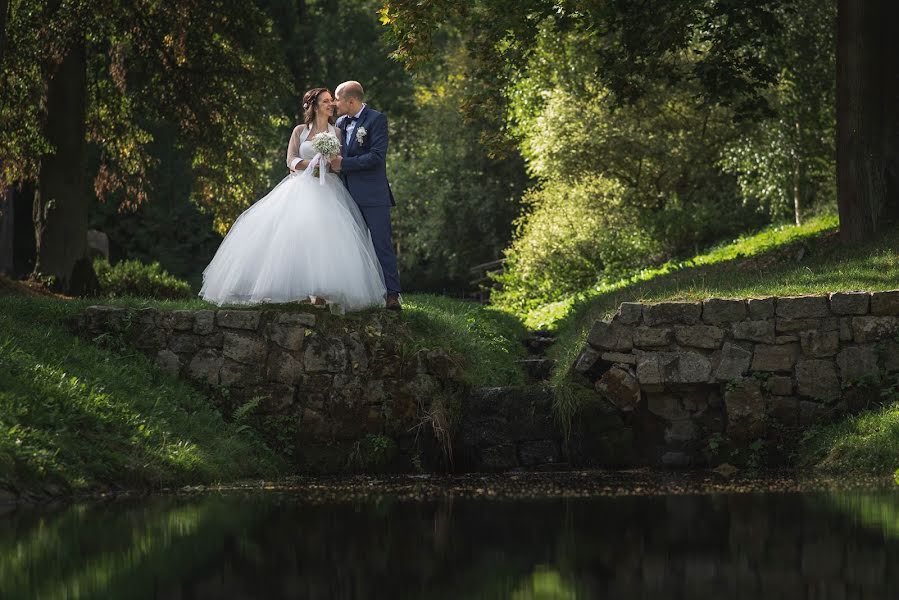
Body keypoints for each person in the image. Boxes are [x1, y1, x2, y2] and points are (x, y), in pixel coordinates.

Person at [199, 87, 387, 311]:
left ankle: (321, 292)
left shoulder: (336, 131)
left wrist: (328, 164)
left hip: (329, 189)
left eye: (332, 101)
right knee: (294, 237)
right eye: (326, 101)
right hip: (301, 187)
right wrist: (312, 163)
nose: (332, 105)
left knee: (326, 239)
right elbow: (291, 159)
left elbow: (339, 163)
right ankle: (295, 289)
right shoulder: (300, 130)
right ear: (315, 105)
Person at [331, 81, 402, 311]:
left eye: (337, 99)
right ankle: (356, 295)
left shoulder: (376, 119)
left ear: (351, 101)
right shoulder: (340, 123)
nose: (334, 103)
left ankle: (392, 295)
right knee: (351, 247)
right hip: (347, 196)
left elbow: (376, 157)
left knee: (382, 245)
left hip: (374, 196)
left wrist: (344, 164)